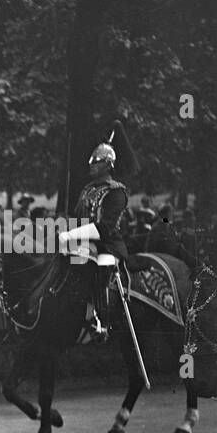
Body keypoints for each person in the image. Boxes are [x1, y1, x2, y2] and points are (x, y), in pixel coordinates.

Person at [71, 119, 150, 341]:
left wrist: (72, 234)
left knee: (100, 265)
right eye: (91, 161)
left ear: (108, 164)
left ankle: (101, 322)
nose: (91, 165)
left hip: (108, 246)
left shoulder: (116, 192)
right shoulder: (87, 189)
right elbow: (78, 218)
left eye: (96, 162)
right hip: (85, 244)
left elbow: (104, 228)